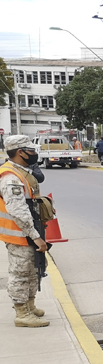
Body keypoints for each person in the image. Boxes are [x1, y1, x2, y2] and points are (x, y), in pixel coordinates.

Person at [0, 135, 49, 328]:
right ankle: (21, 313)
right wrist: (36, 238)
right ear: (20, 152)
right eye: (31, 150)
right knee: (20, 273)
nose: (35, 154)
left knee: (31, 270)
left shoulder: (21, 171)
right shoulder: (10, 177)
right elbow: (18, 211)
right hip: (19, 233)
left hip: (26, 232)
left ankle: (30, 305)